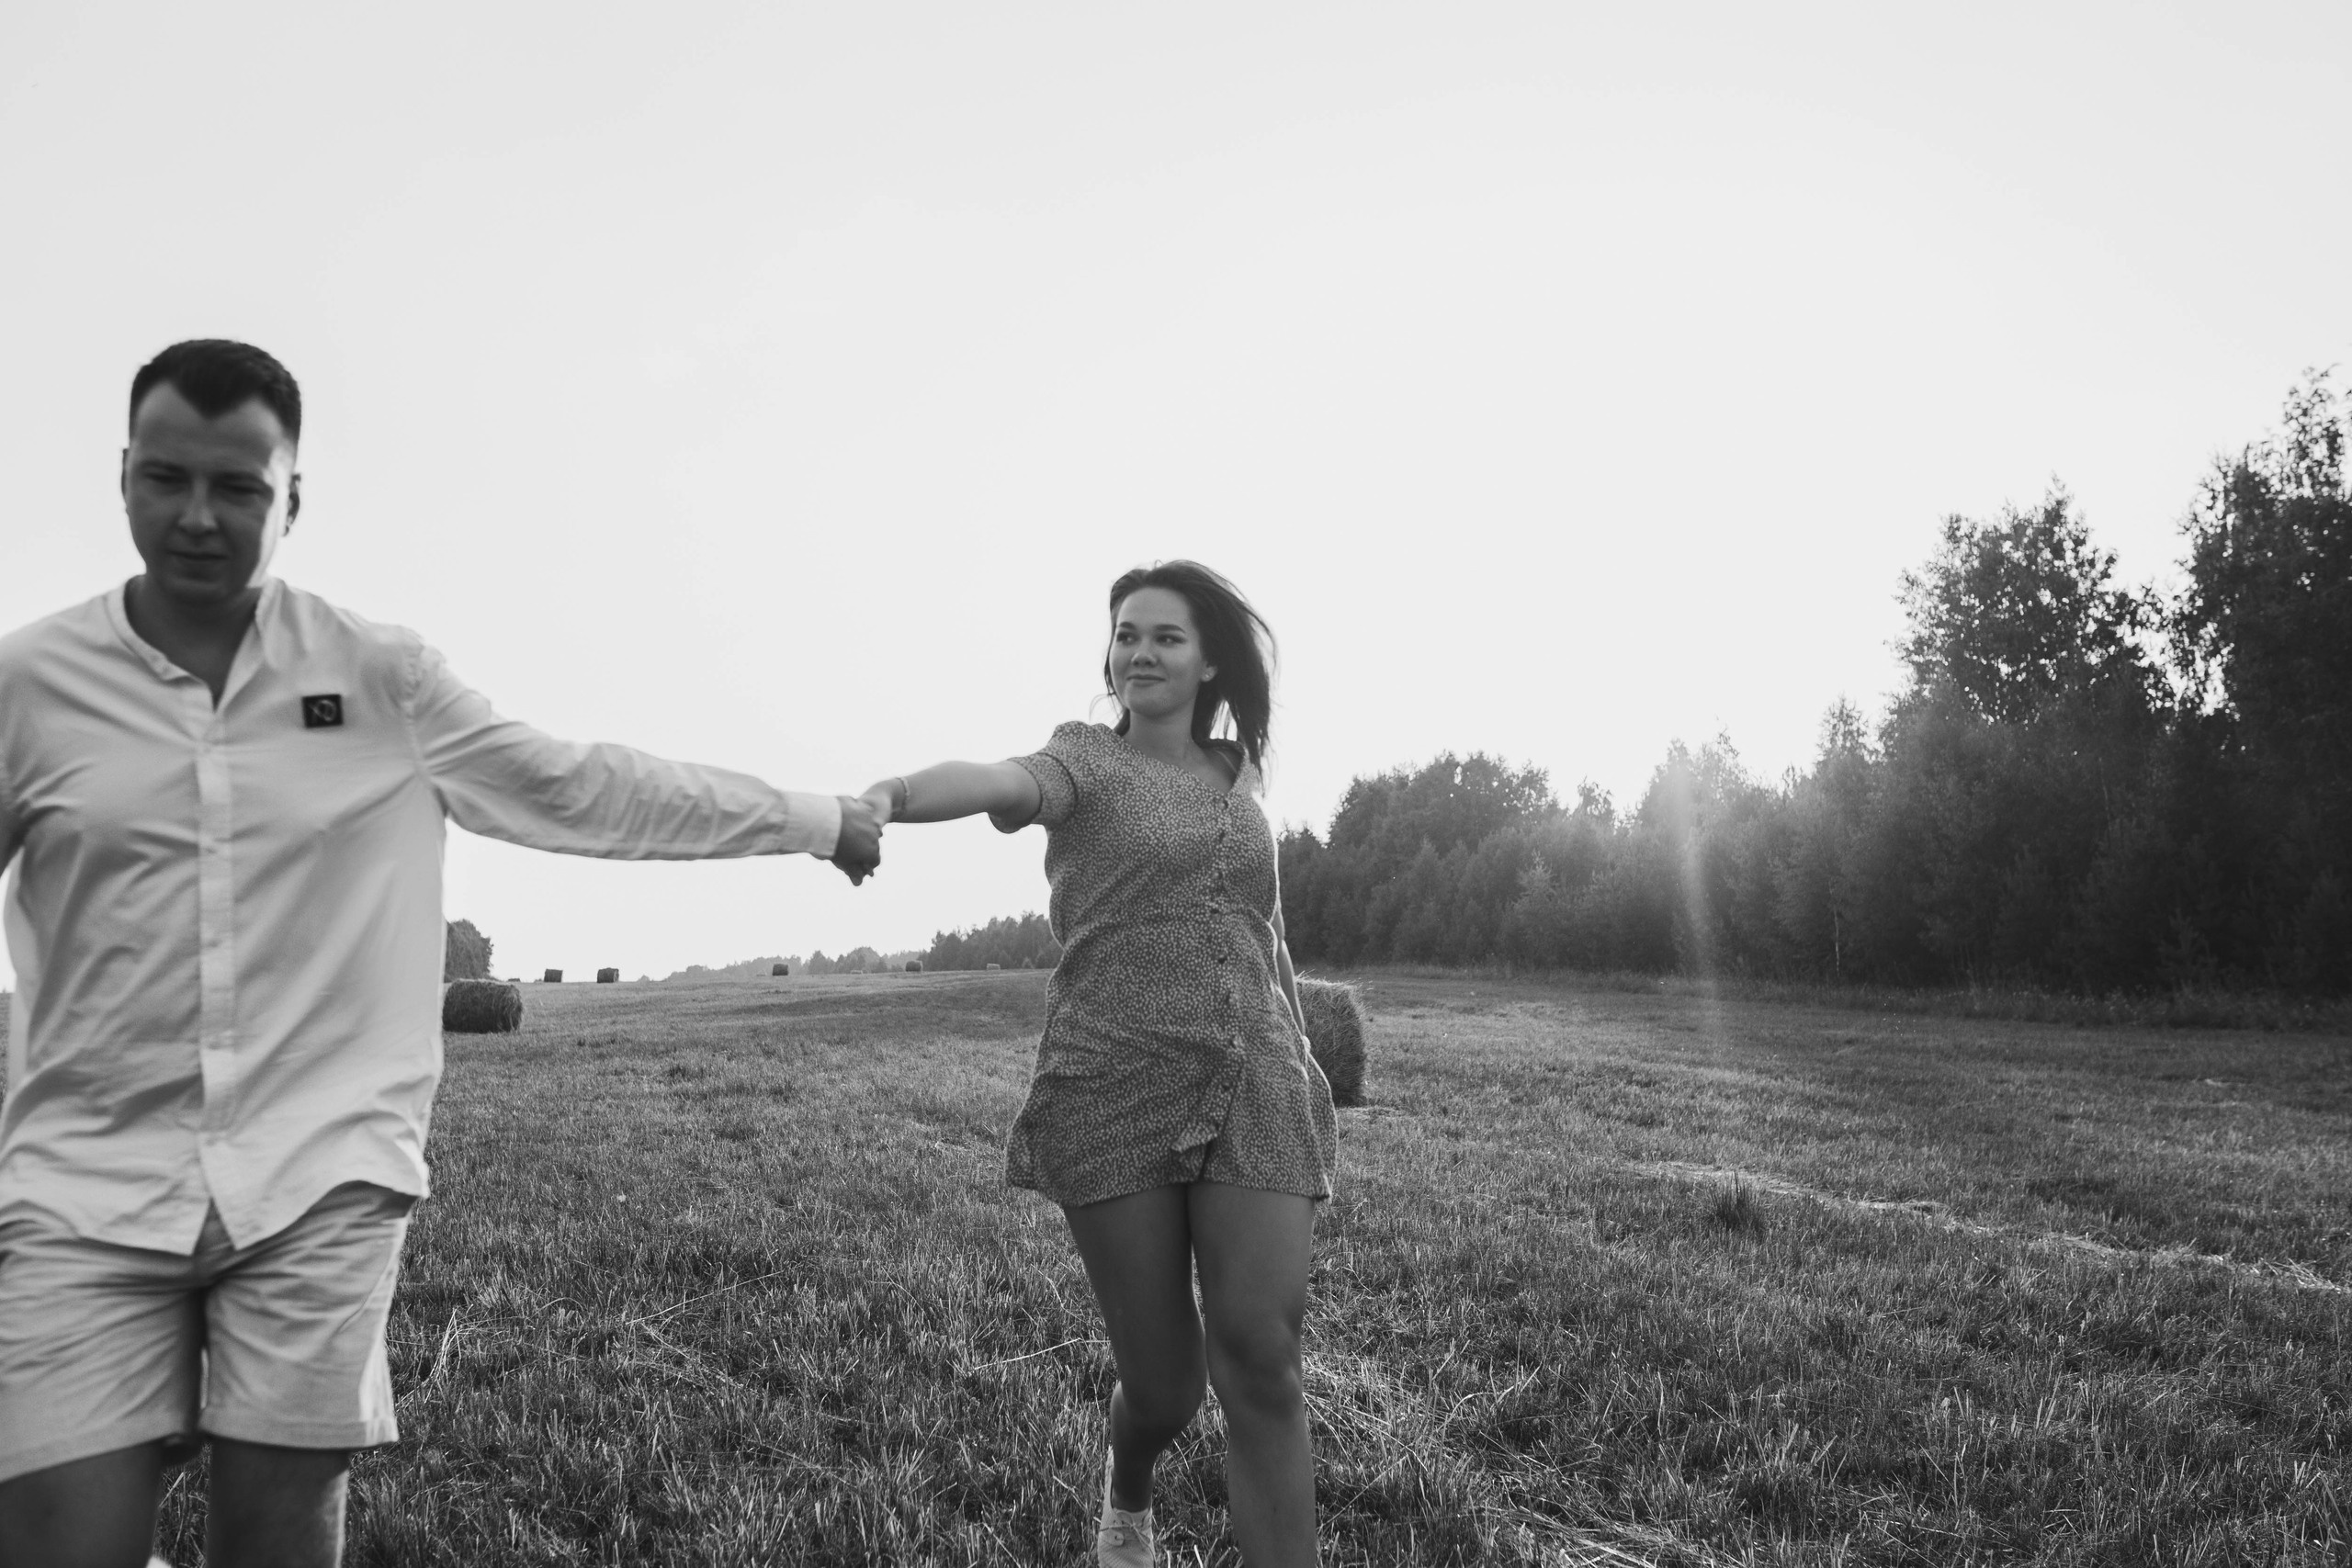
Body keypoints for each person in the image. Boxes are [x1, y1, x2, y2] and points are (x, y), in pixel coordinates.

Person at [0, 339, 883, 1568]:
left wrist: (810, 814)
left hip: (317, 1172)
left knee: (275, 1537)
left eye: (240, 489)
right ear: (124, 477)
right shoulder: (29, 685)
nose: (197, 516)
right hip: (81, 1182)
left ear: (292, 499)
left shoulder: (380, 677)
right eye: (166, 478)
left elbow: (580, 788)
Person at [858, 561, 1337, 1568]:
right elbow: (997, 780)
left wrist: (1299, 1042)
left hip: (1254, 1078)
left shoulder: (1238, 774)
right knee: (1166, 1386)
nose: (1141, 653)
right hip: (1111, 1079)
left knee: (1261, 1357)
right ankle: (1127, 1494)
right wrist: (892, 795)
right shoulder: (1082, 761)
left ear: (1209, 659)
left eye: (1165, 635)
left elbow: (1267, 924)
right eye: (1126, 635)